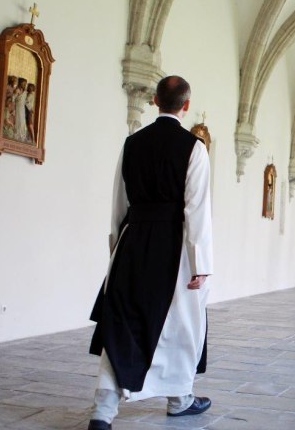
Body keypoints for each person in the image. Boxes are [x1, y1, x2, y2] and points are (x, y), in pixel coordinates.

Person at [87, 75, 213, 430]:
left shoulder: (131, 144)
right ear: (185, 106)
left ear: (155, 101)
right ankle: (180, 399)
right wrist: (200, 263)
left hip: (132, 244)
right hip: (174, 250)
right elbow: (197, 211)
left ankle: (102, 413)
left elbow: (119, 204)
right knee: (182, 328)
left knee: (122, 325)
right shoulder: (195, 148)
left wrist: (117, 253)